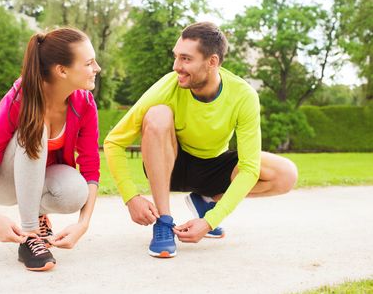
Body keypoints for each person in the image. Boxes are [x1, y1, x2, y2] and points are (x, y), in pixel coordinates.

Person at [104, 22, 298, 258]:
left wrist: (209, 221)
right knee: (158, 114)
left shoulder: (243, 95)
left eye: (186, 59)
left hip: (214, 167)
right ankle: (164, 223)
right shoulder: (168, 86)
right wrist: (131, 197)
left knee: (286, 173)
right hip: (173, 164)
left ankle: (207, 202)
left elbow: (248, 169)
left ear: (212, 62)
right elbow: (114, 142)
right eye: (176, 57)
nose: (177, 66)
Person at [0, 27, 101, 271]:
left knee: (75, 191)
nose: (97, 68)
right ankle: (29, 236)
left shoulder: (84, 103)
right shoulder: (20, 97)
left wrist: (83, 224)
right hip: (6, 183)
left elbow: (91, 166)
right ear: (62, 70)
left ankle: (38, 215)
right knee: (36, 128)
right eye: (89, 63)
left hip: (39, 181)